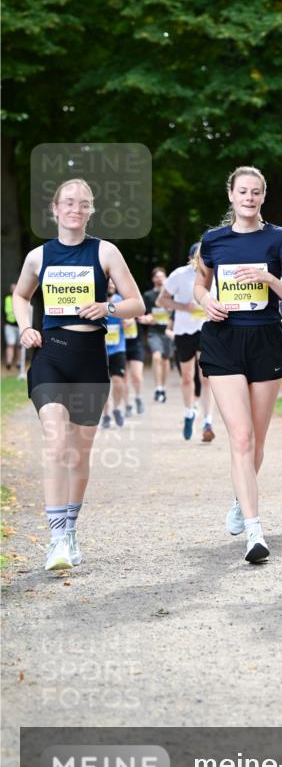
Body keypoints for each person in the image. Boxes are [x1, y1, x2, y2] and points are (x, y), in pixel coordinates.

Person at [12, 178, 144, 571]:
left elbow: (136, 303)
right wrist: (25, 327)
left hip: (90, 360)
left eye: (83, 204)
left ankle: (70, 529)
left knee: (78, 454)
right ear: (55, 209)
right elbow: (21, 295)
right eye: (68, 202)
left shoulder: (105, 252)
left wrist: (107, 308)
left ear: (90, 211)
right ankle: (55, 540)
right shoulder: (38, 257)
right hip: (51, 356)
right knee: (56, 442)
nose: (75, 208)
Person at [194, 165, 282, 565]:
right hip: (224, 340)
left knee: (255, 440)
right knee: (240, 438)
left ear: (263, 196)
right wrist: (206, 301)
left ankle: (241, 500)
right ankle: (255, 532)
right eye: (242, 191)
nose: (249, 197)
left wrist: (268, 279)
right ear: (231, 195)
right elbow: (199, 284)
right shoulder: (213, 239)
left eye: (256, 191)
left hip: (265, 341)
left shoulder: (279, 238)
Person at [158, 243, 216, 442]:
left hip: (207, 330)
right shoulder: (179, 275)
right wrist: (184, 307)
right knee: (187, 377)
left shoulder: (215, 274)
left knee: (206, 377)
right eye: (197, 258)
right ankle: (189, 412)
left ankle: (208, 421)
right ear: (191, 258)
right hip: (184, 331)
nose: (201, 261)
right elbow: (162, 300)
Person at [101, 277, 127, 428]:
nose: (111, 285)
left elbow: (131, 318)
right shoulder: (96, 299)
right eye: (108, 283)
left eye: (113, 283)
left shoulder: (121, 301)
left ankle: (116, 408)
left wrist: (128, 321)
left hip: (118, 347)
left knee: (118, 381)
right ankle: (106, 415)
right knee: (104, 383)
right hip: (100, 348)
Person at [142, 267, 171, 402]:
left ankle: (163, 388)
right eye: (157, 277)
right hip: (154, 331)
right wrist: (147, 318)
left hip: (168, 331)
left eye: (162, 276)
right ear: (153, 279)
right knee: (156, 356)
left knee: (165, 360)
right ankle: (158, 388)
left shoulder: (171, 294)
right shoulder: (148, 295)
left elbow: (173, 311)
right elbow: (145, 313)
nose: (160, 279)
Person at [122, 310, 146, 417]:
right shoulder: (113, 305)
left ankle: (138, 397)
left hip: (136, 345)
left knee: (137, 375)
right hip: (120, 345)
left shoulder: (136, 307)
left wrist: (140, 318)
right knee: (124, 377)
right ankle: (127, 405)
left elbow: (147, 314)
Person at [4, 283, 20, 370]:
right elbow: (7, 311)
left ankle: (18, 363)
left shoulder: (21, 298)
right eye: (13, 288)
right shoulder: (7, 299)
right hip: (10, 325)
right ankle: (9, 363)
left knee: (19, 345)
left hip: (20, 325)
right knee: (10, 344)